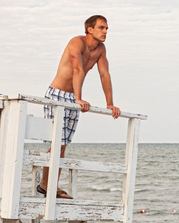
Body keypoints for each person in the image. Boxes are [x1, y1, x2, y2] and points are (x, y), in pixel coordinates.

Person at [38, 15, 121, 199]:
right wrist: (78, 98)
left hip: (74, 98)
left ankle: (48, 185)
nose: (106, 31)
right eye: (102, 27)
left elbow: (104, 74)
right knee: (56, 142)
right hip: (57, 94)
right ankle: (47, 185)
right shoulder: (76, 42)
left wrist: (110, 104)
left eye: (107, 28)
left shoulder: (100, 49)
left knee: (63, 145)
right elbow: (78, 69)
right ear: (90, 29)